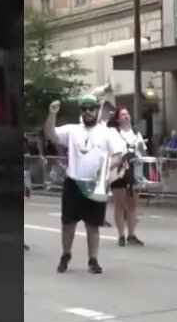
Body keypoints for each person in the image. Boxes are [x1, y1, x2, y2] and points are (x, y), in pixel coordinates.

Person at [43, 96, 124, 274]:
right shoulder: (73, 130)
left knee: (93, 225)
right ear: (81, 111)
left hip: (95, 184)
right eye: (84, 109)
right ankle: (66, 255)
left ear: (96, 110)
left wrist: (105, 168)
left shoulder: (107, 132)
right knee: (68, 223)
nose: (88, 112)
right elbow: (51, 134)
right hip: (74, 182)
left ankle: (93, 259)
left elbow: (118, 155)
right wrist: (52, 114)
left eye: (91, 108)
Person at [108, 107, 147, 246]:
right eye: (123, 114)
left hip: (135, 169)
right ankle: (120, 235)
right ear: (118, 119)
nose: (126, 116)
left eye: (127, 114)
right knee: (119, 204)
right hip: (119, 170)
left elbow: (142, 150)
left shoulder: (136, 132)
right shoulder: (114, 132)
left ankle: (131, 234)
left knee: (133, 205)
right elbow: (114, 151)